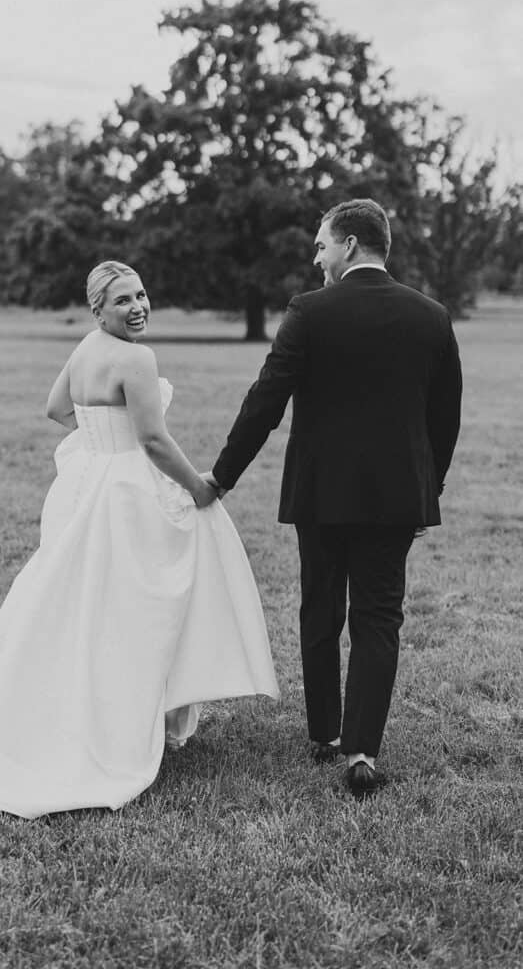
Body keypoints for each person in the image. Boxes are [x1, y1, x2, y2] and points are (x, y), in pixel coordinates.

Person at [0, 260, 278, 818]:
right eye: (124, 300)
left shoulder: (85, 349)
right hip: (129, 494)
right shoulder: (136, 358)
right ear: (98, 309)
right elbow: (153, 439)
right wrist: (198, 487)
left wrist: (101, 442)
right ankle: (124, 721)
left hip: (88, 488)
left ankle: (81, 710)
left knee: (85, 605)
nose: (138, 307)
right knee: (138, 609)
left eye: (142, 295)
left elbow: (57, 408)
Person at [205, 199, 462, 796]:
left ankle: (324, 731)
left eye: (321, 245)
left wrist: (221, 476)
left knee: (321, 607)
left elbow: (264, 401)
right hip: (397, 496)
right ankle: (362, 750)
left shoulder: (309, 312)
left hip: (320, 494)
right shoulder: (431, 316)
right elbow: (444, 419)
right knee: (379, 618)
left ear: (348, 244)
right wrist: (429, 490)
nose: (316, 257)